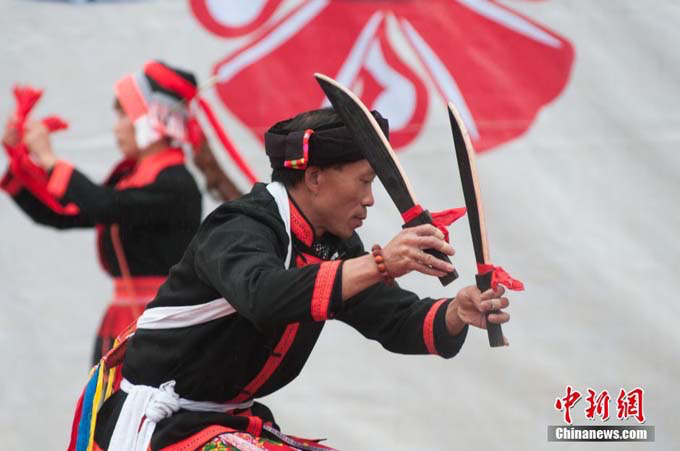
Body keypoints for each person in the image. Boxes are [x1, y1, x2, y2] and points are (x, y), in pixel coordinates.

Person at [74, 107, 511, 451]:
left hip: (223, 422)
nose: (370, 199)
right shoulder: (240, 226)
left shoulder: (334, 244)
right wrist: (380, 263)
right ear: (314, 178)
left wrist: (457, 311)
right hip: (162, 425)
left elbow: (394, 318)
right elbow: (264, 296)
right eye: (363, 181)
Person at [1, 60, 241, 364]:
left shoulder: (176, 183)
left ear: (153, 118)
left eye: (124, 115)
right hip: (123, 321)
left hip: (162, 324)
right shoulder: (132, 178)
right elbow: (64, 215)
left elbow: (102, 205)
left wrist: (49, 159)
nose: (116, 126)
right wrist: (21, 162)